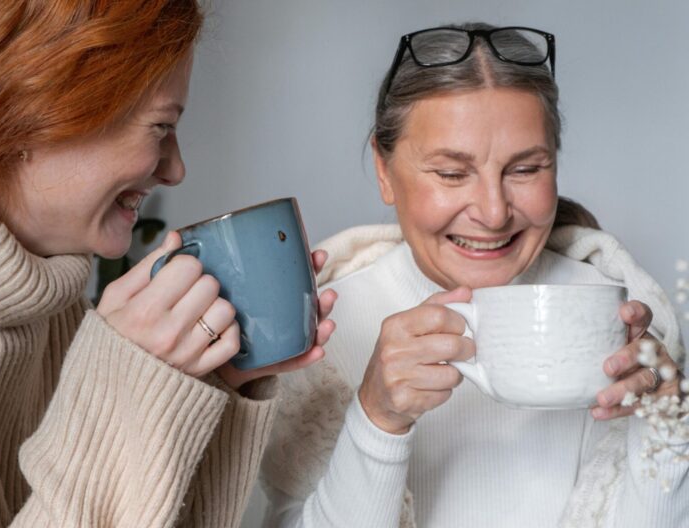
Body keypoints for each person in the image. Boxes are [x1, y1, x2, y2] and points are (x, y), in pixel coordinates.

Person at [0, 1, 337, 526]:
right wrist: (123, 381)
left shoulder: (51, 307)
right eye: (161, 126)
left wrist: (209, 387)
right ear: (32, 111)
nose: (176, 169)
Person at [261, 23, 687, 527]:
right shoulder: (323, 336)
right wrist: (376, 421)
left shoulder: (615, 319)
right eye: (451, 173)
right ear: (383, 169)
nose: (492, 212)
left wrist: (670, 427)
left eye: (525, 169)